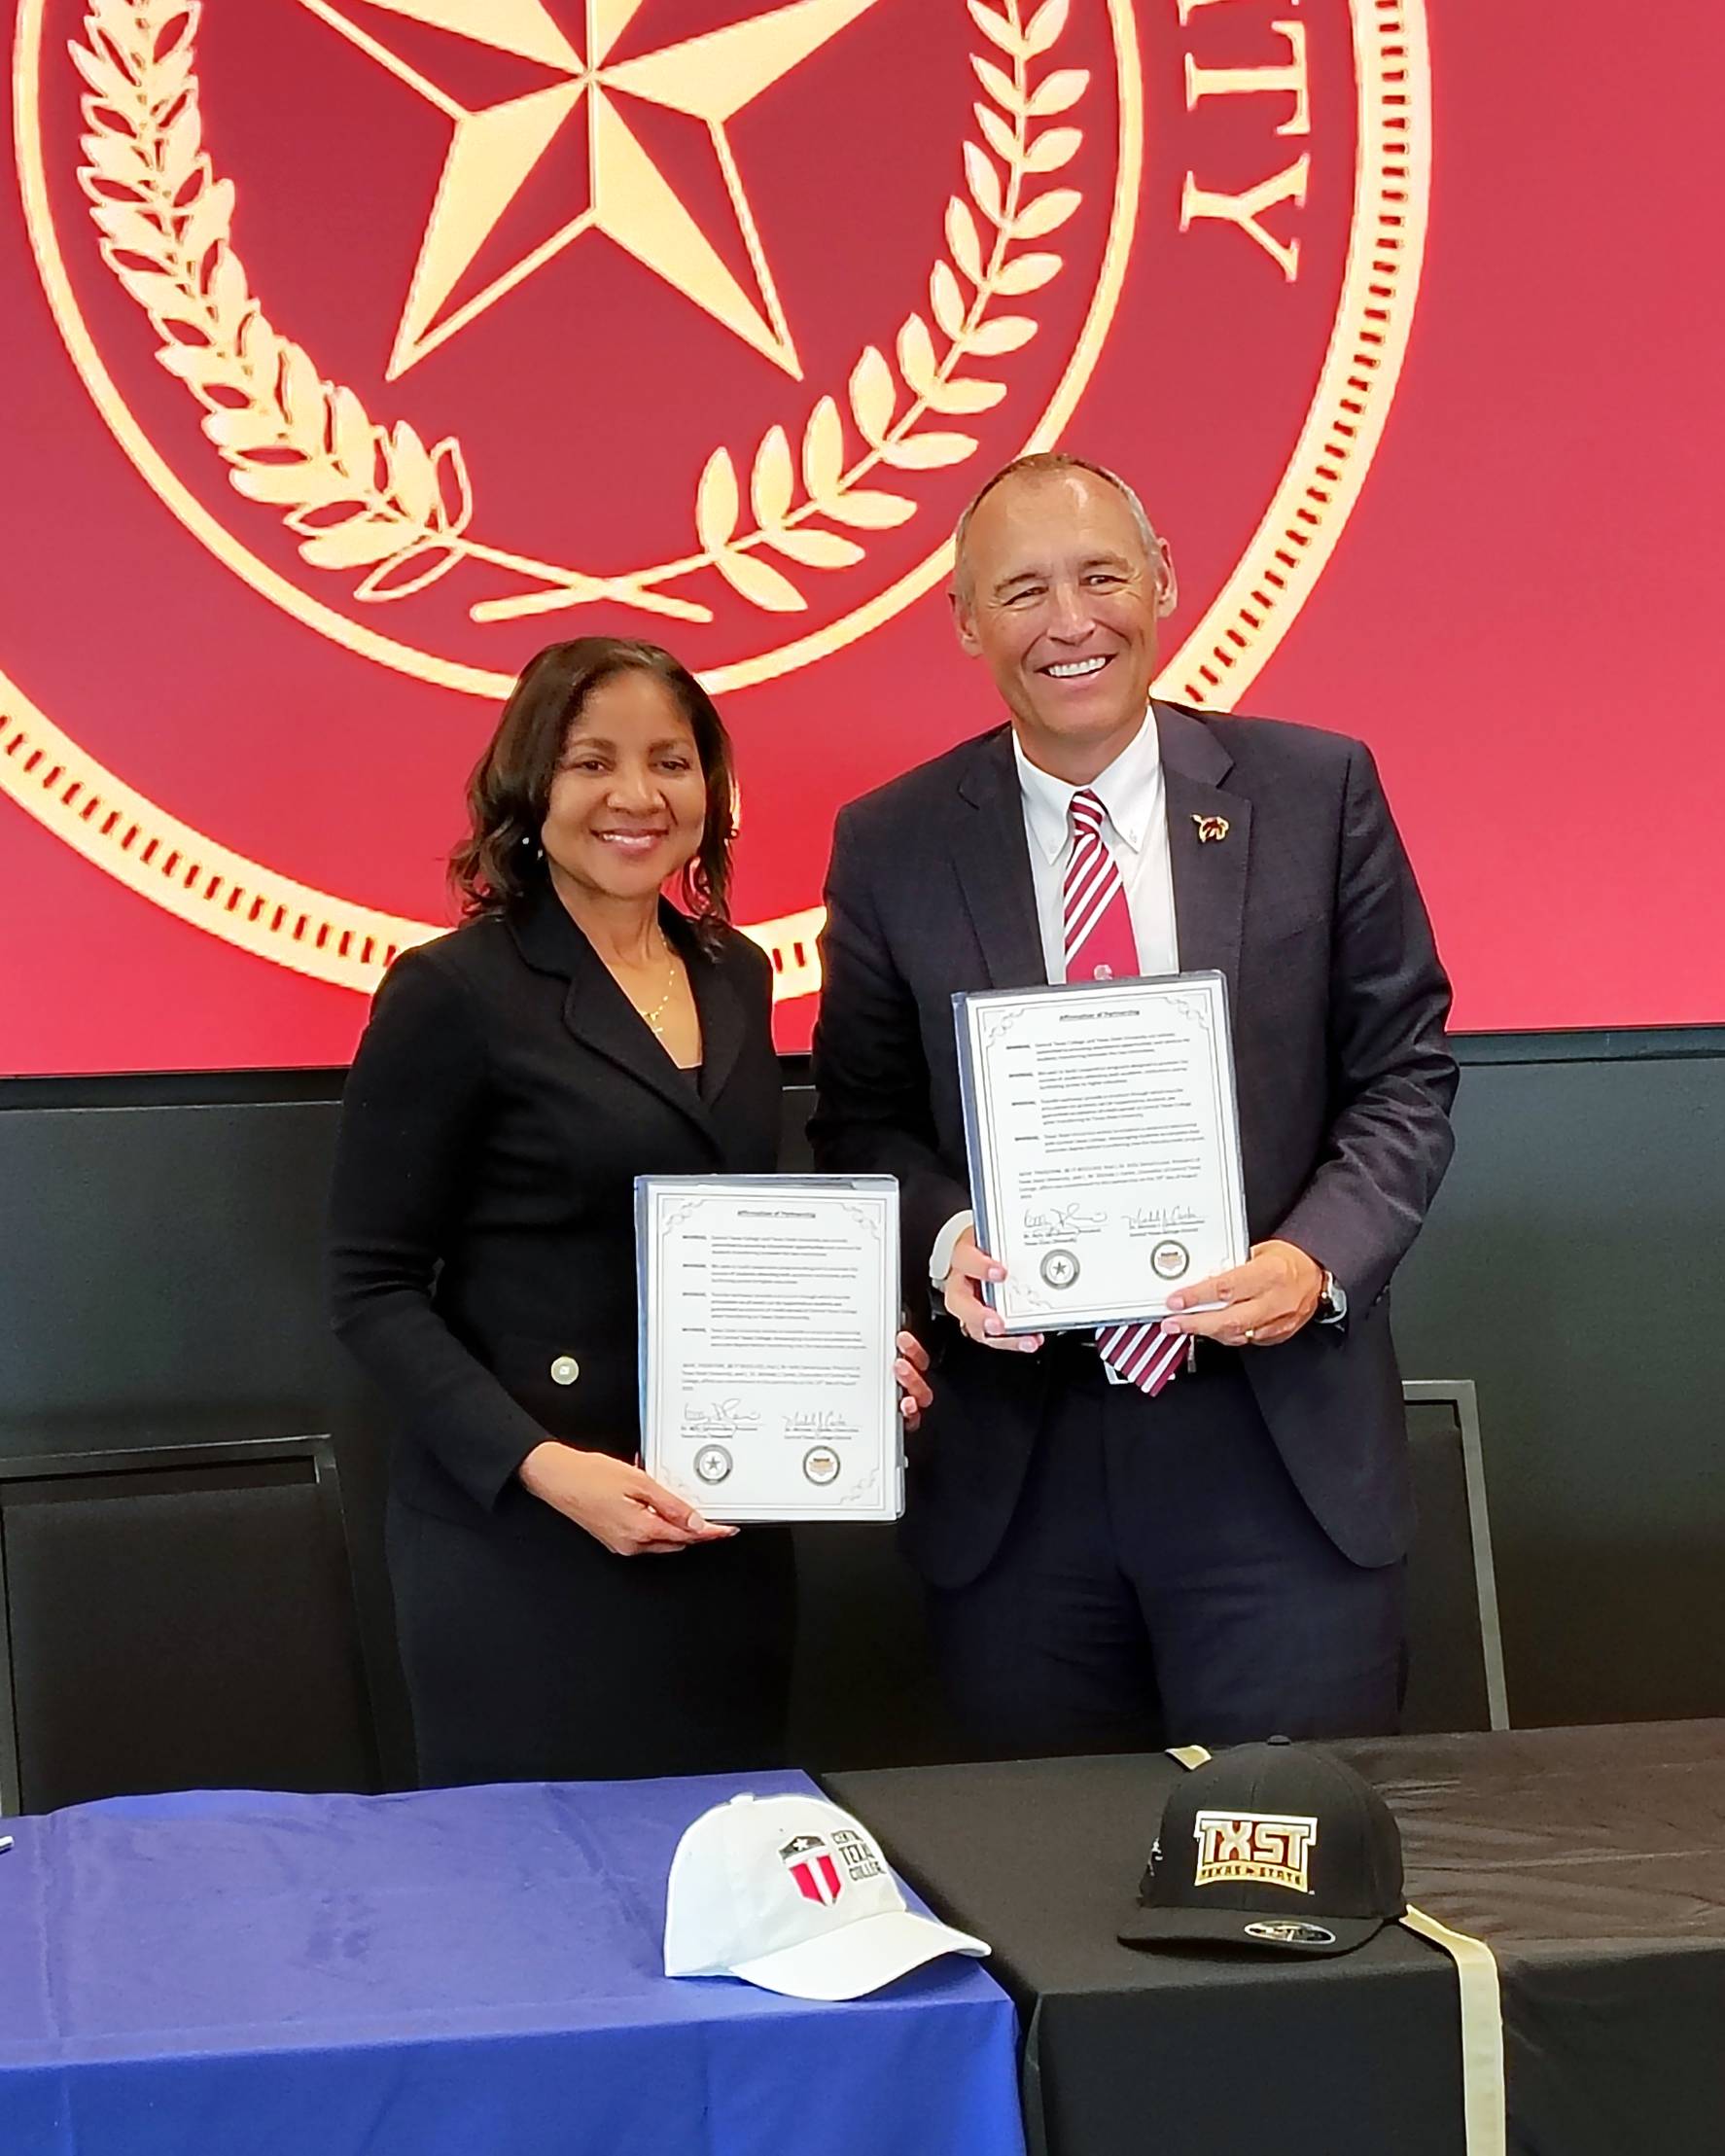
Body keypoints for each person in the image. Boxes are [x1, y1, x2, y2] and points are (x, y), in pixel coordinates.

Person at [809, 454, 1458, 1753]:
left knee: (1292, 1889)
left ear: (1161, 582)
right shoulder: (893, 842)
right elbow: (858, 1118)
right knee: (1050, 1897)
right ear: (965, 621)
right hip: (1019, 1476)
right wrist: (943, 1246)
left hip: (1274, 1458)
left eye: (1101, 575)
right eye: (1023, 591)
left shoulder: (1314, 791)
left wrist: (1311, 1258)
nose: (1070, 622)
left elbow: (1403, 1072)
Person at [329, 636, 931, 1786]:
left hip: (722, 1524)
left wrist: (847, 1353)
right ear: (528, 786)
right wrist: (548, 1467)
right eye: (591, 761)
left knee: (715, 1883)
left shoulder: (735, 975)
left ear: (711, 787)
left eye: (671, 760)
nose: (636, 796)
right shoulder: (453, 992)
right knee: (535, 1906)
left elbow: (742, 1234)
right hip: (525, 1540)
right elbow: (370, 1289)